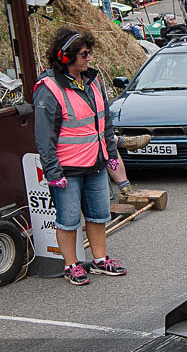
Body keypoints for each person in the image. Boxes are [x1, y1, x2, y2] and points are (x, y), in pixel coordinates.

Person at [34, 28, 126, 285]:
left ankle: (99, 259)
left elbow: (104, 122)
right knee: (68, 220)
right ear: (66, 57)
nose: (89, 58)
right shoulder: (48, 89)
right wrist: (53, 173)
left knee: (98, 216)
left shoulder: (93, 81)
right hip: (67, 170)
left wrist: (110, 154)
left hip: (95, 164)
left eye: (89, 53)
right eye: (84, 54)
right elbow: (44, 138)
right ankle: (71, 264)